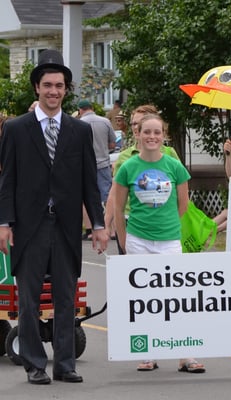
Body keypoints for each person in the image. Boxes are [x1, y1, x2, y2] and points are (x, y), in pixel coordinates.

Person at [0, 49, 109, 384]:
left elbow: (89, 182)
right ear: (37, 87)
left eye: (59, 86)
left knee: (65, 299)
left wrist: (99, 224)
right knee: (28, 301)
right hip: (28, 227)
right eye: (47, 85)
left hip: (65, 227)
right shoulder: (16, 129)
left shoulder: (79, 130)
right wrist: (4, 223)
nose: (53, 91)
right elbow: (7, 181)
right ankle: (34, 364)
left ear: (66, 90)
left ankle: (65, 364)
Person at [114, 113, 205, 374]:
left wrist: (166, 227)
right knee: (144, 299)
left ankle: (185, 354)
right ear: (138, 134)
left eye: (157, 132)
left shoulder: (175, 167)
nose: (152, 137)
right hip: (138, 240)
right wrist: (124, 240)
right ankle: (148, 353)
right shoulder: (128, 167)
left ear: (164, 135)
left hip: (169, 242)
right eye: (147, 132)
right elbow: (118, 208)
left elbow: (183, 205)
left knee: (176, 298)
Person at [104, 104, 179, 252]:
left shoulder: (169, 154)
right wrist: (106, 223)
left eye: (139, 123)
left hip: (163, 225)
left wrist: (171, 220)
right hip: (131, 221)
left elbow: (181, 195)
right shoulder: (125, 157)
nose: (134, 127)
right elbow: (114, 193)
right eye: (133, 123)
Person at [78, 99, 116, 240]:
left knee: (84, 197)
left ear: (80, 110)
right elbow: (112, 144)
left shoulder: (79, 123)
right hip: (103, 163)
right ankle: (112, 230)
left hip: (84, 165)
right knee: (108, 197)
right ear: (92, 108)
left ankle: (89, 229)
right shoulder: (105, 122)